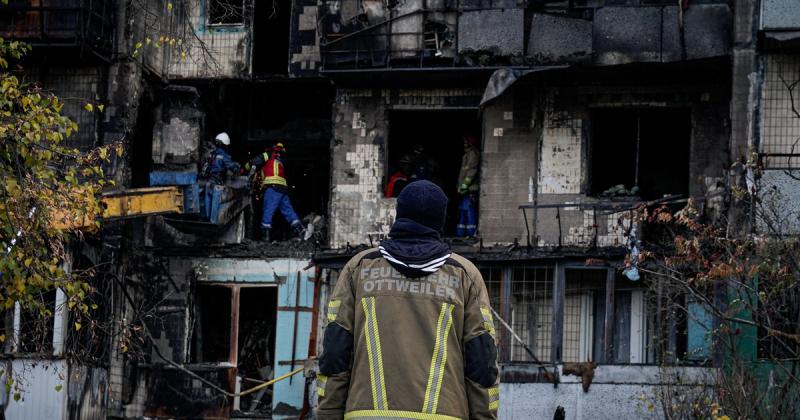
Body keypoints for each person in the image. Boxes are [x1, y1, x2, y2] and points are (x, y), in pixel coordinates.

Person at [317, 180, 499, 420]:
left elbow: (335, 350)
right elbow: (482, 360)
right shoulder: (464, 274)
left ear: (399, 214)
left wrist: (329, 412)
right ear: (441, 219)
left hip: (366, 413)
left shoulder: (359, 268)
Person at [260, 142, 305, 241]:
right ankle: (300, 229)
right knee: (288, 210)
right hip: (283, 189)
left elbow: (256, 161)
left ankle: (265, 237)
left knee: (268, 209)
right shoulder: (279, 161)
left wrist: (244, 167)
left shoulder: (268, 155)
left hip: (273, 187)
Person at [456, 135, 480, 237]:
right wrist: (460, 185)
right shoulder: (467, 154)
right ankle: (461, 234)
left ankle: (470, 234)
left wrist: (465, 184)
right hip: (465, 189)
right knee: (463, 210)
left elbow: (472, 169)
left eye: (466, 141)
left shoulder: (473, 154)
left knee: (469, 210)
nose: (464, 143)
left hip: (470, 189)